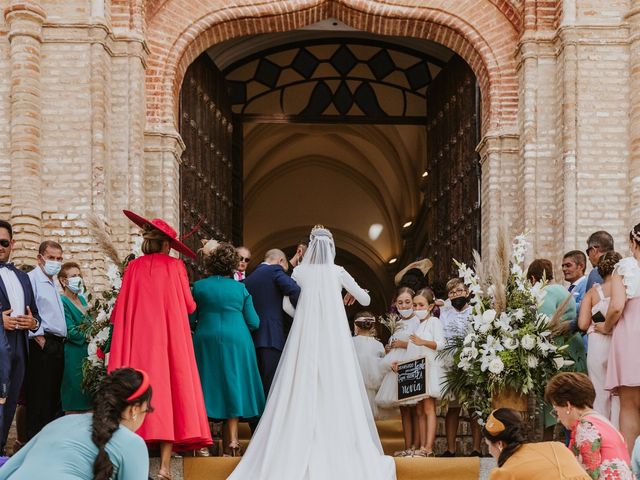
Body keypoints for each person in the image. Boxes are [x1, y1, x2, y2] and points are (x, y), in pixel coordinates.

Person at [228, 226, 396, 480]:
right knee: (335, 383)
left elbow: (286, 303)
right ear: (331, 247)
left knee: (300, 382)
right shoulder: (337, 271)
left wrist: (305, 315)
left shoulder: (300, 271)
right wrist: (350, 291)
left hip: (306, 336)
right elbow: (364, 301)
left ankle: (297, 437)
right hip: (333, 337)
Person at [108, 210, 211, 480]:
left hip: (138, 343)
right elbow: (189, 306)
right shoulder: (176, 267)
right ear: (166, 244)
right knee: (167, 395)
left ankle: (134, 464)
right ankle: (165, 468)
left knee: (136, 393)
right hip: (168, 342)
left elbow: (119, 311)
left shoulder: (133, 268)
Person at [0, 368, 151, 479]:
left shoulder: (61, 422)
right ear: (134, 410)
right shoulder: (132, 443)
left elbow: (7, 470)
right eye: (147, 410)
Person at [191, 241, 264, 456]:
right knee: (234, 383)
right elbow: (254, 322)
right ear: (232, 265)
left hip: (206, 338)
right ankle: (232, 441)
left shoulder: (199, 287)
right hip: (237, 339)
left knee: (205, 384)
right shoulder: (240, 289)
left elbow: (191, 319)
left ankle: (203, 442)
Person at [544, 372, 633, 479]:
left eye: (556, 411)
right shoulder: (604, 422)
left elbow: (586, 475)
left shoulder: (585, 427)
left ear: (567, 406)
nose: (558, 418)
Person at [0, 220, 39, 456]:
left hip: (20, 345)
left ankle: (1, 452)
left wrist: (33, 323)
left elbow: (36, 314)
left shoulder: (23, 278)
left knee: (11, 401)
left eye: (3, 242)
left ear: (12, 244)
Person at [243, 249, 300, 401]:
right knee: (272, 383)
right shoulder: (275, 270)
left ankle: (256, 423)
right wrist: (298, 314)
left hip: (252, 337)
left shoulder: (249, 278)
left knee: (257, 381)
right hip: (272, 336)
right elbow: (294, 289)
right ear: (281, 261)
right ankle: (268, 423)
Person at [604, 223, 640, 454]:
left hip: (631, 340)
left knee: (629, 406)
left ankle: (629, 468)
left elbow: (617, 306)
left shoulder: (626, 267)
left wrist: (606, 327)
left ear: (633, 242)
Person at [25, 240, 66, 439]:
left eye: (59, 259)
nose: (56, 262)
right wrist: (39, 338)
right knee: (40, 402)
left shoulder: (52, 281)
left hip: (56, 345)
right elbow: (26, 309)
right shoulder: (32, 279)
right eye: (51, 258)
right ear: (40, 258)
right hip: (43, 345)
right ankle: (34, 446)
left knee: (52, 401)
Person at [483, 408, 590, 480]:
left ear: (499, 444)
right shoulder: (557, 446)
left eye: (488, 445)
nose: (489, 451)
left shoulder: (504, 473)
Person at [578, 251, 622, 426]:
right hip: (618, 341)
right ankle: (619, 437)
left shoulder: (592, 293)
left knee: (599, 391)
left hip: (597, 344)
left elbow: (582, 324)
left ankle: (601, 434)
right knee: (618, 393)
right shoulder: (625, 291)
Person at [439, 278, 482, 457]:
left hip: (472, 364)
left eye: (459, 291)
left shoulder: (476, 311)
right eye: (452, 292)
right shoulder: (444, 314)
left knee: (474, 406)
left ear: (467, 293)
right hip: (451, 364)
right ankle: (450, 449)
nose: (456, 295)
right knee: (453, 407)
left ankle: (476, 449)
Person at [400, 288, 444, 457]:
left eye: (421, 305)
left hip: (430, 369)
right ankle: (420, 447)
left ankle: (428, 447)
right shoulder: (418, 326)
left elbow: (440, 344)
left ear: (431, 306)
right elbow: (413, 351)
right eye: (416, 305)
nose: (417, 308)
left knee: (428, 408)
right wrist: (401, 363)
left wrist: (422, 341)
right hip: (417, 372)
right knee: (419, 410)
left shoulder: (434, 322)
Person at [375, 287, 419, 453]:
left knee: (415, 409)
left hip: (411, 365)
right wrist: (390, 349)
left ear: (413, 303)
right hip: (396, 369)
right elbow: (396, 343)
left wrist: (404, 344)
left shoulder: (418, 321)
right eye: (400, 302)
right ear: (396, 304)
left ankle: (416, 445)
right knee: (404, 410)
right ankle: (407, 446)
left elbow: (422, 342)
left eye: (407, 302)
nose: (404, 305)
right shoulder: (398, 322)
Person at [58, 262, 93, 414]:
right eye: (73, 276)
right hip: (73, 353)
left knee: (89, 398)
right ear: (63, 281)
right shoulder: (62, 301)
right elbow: (70, 330)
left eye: (79, 275)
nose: (78, 278)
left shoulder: (83, 300)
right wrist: (89, 335)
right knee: (75, 395)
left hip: (88, 354)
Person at [352, 311, 385, 419]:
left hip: (354, 385)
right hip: (372, 387)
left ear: (355, 326)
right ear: (372, 326)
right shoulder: (379, 345)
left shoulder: (350, 342)